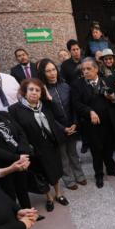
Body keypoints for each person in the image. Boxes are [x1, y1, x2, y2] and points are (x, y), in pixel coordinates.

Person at [9, 79, 69, 212]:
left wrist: (49, 98)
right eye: (31, 89)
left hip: (51, 144)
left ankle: (58, 193)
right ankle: (48, 197)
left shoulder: (46, 105)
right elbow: (16, 131)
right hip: (34, 148)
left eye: (38, 90)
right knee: (41, 174)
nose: (34, 93)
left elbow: (59, 116)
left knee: (55, 170)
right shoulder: (14, 109)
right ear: (24, 91)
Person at [70, 58, 115, 188]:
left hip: (108, 122)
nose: (85, 72)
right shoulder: (77, 85)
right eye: (83, 69)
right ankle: (99, 175)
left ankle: (111, 169)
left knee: (109, 148)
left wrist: (113, 98)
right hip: (91, 125)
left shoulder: (107, 81)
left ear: (96, 69)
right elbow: (76, 104)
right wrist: (90, 111)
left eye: (88, 69)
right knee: (96, 150)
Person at [38, 58, 87, 190]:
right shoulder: (42, 92)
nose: (52, 73)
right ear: (43, 73)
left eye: (54, 69)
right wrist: (63, 128)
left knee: (73, 153)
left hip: (72, 125)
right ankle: (68, 179)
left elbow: (74, 107)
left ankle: (79, 175)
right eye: (48, 71)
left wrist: (75, 124)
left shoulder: (66, 86)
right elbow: (47, 115)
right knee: (63, 156)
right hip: (57, 129)